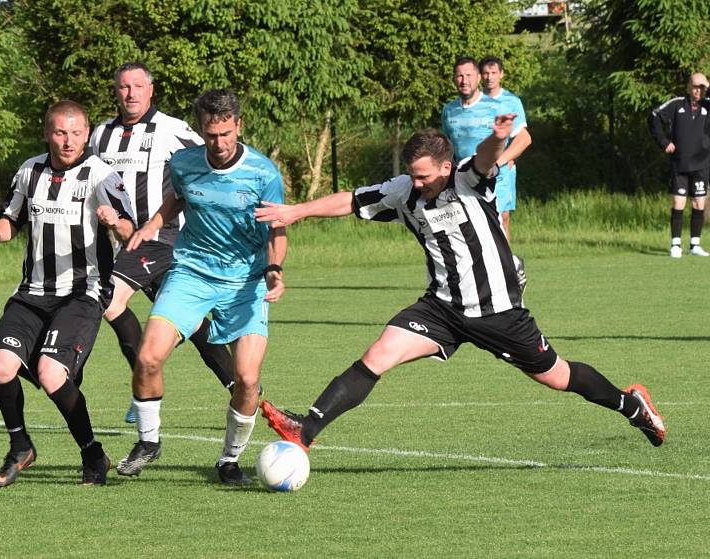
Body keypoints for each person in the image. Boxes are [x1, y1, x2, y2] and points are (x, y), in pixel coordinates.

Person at [256, 116, 666, 459]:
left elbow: (488, 159)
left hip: (499, 311)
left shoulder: (470, 180)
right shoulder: (405, 191)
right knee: (379, 354)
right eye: (412, 175)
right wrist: (297, 212)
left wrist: (498, 136)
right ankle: (305, 431)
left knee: (557, 376)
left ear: (446, 168)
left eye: (424, 176)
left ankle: (631, 405)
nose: (416, 184)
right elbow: (351, 200)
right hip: (441, 309)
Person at [116, 88, 287, 485]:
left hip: (246, 281)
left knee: (246, 379)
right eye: (211, 135)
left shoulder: (263, 173)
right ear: (201, 131)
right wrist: (156, 222)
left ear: (238, 126)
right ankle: (148, 441)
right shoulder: (184, 162)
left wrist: (275, 268)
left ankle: (229, 460)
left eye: (226, 133)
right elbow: (179, 197)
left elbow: (278, 228)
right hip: (191, 273)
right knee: (148, 356)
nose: (220, 143)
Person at [0, 100, 135, 487]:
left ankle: (92, 454)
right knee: (1, 366)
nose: (69, 141)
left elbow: (132, 231)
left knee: (50, 373)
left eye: (77, 133)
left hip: (82, 291)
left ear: (87, 133)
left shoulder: (101, 174)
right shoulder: (30, 170)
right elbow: (10, 217)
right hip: (32, 292)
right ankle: (20, 446)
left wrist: (114, 222)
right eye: (61, 133)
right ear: (48, 133)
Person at [90, 62, 236, 424]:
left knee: (109, 299)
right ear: (116, 91)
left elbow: (217, 156)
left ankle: (141, 380)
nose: (131, 93)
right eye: (124, 87)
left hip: (163, 237)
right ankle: (242, 387)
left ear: (150, 90)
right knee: (194, 323)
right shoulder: (100, 135)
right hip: (126, 242)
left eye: (138, 86)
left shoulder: (172, 130)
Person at [442, 56, 531, 289]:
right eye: (460, 76)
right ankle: (488, 279)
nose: (464, 81)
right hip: (464, 184)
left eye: (469, 75)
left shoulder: (498, 106)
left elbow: (524, 138)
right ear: (454, 79)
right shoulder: (449, 111)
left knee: (497, 230)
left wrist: (499, 163)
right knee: (468, 234)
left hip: (495, 182)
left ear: (478, 78)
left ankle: (509, 278)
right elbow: (449, 148)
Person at [648, 73, 710, 258]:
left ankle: (695, 245)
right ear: (688, 87)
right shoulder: (677, 103)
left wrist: (708, 84)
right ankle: (675, 244)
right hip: (680, 163)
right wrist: (664, 141)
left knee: (699, 203)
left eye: (702, 87)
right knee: (678, 202)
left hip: (702, 163)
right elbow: (653, 117)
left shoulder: (708, 104)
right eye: (695, 86)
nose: (698, 90)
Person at [478, 56, 531, 241]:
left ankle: (506, 265)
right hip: (476, 168)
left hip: (502, 170)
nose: (489, 77)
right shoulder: (473, 102)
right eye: (485, 73)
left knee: (503, 217)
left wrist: (508, 157)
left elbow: (521, 137)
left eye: (493, 73)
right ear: (479, 76)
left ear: (501, 74)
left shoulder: (511, 101)